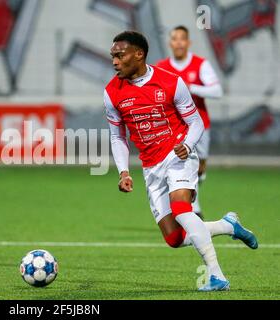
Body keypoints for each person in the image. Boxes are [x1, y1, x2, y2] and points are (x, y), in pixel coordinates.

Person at [105, 31, 257, 291]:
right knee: (175, 238)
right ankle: (228, 225)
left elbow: (195, 122)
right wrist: (123, 172)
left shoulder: (170, 82)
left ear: (139, 54)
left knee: (182, 210)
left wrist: (187, 145)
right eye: (113, 57)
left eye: (120, 55)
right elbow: (117, 136)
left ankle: (216, 275)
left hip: (178, 155)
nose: (115, 62)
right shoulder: (111, 92)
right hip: (151, 166)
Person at [157, 25, 223, 219]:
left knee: (200, 169)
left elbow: (217, 91)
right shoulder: (161, 67)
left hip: (199, 125)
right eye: (174, 38)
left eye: (182, 39)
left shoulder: (200, 64)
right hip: (174, 128)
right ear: (170, 43)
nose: (178, 42)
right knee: (177, 165)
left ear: (188, 42)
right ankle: (190, 208)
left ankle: (193, 199)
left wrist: (190, 87)